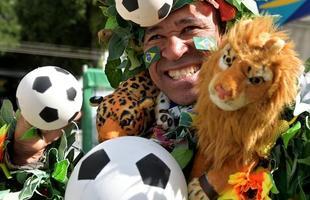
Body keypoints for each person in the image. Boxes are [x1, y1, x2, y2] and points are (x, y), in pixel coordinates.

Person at [3, 0, 257, 198]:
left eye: (190, 28)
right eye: (155, 37)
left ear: (227, 36)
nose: (174, 50)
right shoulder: (125, 137)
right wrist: (26, 157)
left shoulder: (278, 129)